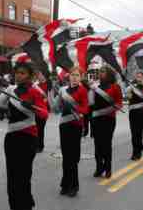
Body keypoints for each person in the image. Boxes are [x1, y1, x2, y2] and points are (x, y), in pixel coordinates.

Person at [0, 61, 48, 210]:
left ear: (29, 76)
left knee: (23, 176)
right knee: (11, 177)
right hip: (11, 138)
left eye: (22, 73)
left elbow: (44, 114)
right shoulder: (10, 89)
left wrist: (33, 107)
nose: (18, 75)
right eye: (17, 72)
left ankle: (25, 204)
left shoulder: (35, 92)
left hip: (28, 138)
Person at [49, 66, 88, 197]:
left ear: (81, 77)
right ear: (69, 76)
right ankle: (65, 184)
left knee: (73, 157)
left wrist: (73, 107)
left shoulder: (83, 90)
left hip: (76, 126)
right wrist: (51, 94)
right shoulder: (62, 90)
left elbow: (85, 109)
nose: (74, 77)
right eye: (72, 75)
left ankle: (74, 186)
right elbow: (55, 109)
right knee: (66, 157)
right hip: (64, 126)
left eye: (77, 75)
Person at [89, 66, 122, 179]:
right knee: (97, 145)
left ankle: (108, 168)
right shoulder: (95, 86)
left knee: (106, 145)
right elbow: (91, 103)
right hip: (96, 119)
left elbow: (119, 103)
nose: (100, 73)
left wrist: (109, 109)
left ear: (109, 74)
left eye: (103, 71)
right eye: (100, 72)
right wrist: (90, 89)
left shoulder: (115, 87)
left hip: (109, 119)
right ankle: (99, 168)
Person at [126, 71, 143, 160]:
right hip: (132, 112)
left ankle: (138, 151)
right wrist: (130, 90)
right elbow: (129, 97)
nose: (138, 77)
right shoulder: (132, 86)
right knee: (134, 133)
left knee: (139, 132)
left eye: (140, 76)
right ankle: (135, 151)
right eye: (137, 76)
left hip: (141, 112)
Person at [33, 71, 49, 153]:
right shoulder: (36, 85)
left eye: (41, 75)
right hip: (35, 109)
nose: (39, 76)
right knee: (36, 129)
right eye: (38, 75)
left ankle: (40, 146)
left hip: (43, 110)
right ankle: (36, 145)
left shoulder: (48, 85)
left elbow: (48, 98)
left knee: (40, 129)